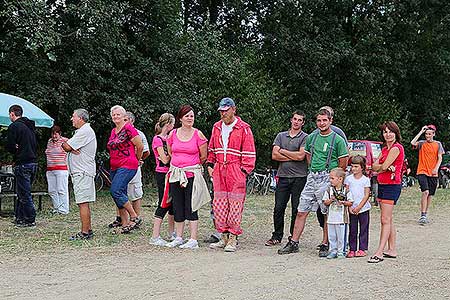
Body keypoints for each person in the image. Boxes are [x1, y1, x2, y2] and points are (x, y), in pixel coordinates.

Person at [278, 108, 349, 256]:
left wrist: (333, 179)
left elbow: (343, 162)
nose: (321, 123)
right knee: (301, 210)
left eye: (324, 120)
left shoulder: (338, 140)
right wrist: (312, 170)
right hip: (312, 177)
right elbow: (308, 156)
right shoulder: (312, 137)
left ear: (330, 121)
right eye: (319, 120)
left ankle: (325, 243)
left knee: (325, 211)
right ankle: (294, 242)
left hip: (327, 177)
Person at [207, 97, 256, 252]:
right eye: (221, 111)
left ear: (233, 110)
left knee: (235, 205)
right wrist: (210, 166)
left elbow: (249, 152)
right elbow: (212, 149)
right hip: (219, 169)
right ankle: (223, 237)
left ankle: (233, 239)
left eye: (226, 111)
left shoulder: (244, 128)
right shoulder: (216, 127)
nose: (223, 114)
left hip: (235, 169)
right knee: (219, 205)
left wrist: (243, 171)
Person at [164, 105, 209, 249]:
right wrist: (179, 165)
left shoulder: (198, 134)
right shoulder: (173, 134)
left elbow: (203, 155)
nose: (190, 118)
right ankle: (178, 237)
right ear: (181, 118)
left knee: (192, 205)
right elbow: (171, 152)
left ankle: (193, 238)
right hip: (176, 174)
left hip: (191, 175)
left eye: (192, 116)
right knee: (177, 205)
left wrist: (190, 165)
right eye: (187, 116)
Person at [265, 110, 308, 246]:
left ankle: (292, 236)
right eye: (295, 119)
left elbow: (301, 156)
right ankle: (277, 235)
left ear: (303, 123)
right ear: (291, 120)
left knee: (296, 209)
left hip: (299, 177)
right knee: (279, 207)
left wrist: (282, 151)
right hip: (283, 176)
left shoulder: (305, 137)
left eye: (300, 120)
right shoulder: (280, 136)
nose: (296, 122)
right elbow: (274, 156)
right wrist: (292, 155)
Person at [312, 105, 348, 253]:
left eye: (326, 117)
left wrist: (338, 176)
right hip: (316, 177)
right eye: (319, 119)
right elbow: (312, 154)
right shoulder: (314, 134)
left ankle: (332, 242)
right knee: (321, 210)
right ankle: (326, 236)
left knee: (332, 210)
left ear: (331, 118)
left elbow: (343, 156)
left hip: (332, 177)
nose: (322, 122)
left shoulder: (338, 133)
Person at [368, 121, 404, 263]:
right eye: (385, 132)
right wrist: (382, 167)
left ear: (396, 134)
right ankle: (392, 249)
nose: (387, 134)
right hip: (382, 184)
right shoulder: (384, 149)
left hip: (391, 185)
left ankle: (379, 251)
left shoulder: (396, 148)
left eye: (390, 132)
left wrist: (382, 167)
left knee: (385, 220)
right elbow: (375, 166)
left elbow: (381, 166)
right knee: (388, 219)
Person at [108, 111, 150, 228]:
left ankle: (134, 216)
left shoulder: (129, 129)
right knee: (120, 193)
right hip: (115, 166)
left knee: (115, 190)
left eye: (118, 114)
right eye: (113, 115)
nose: (116, 117)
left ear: (124, 117)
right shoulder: (113, 131)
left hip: (127, 164)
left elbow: (140, 146)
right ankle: (125, 224)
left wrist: (137, 159)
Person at [62, 109, 97, 240]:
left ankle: (85, 232)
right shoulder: (82, 132)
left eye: (73, 116)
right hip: (81, 172)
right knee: (83, 202)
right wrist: (69, 146)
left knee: (82, 202)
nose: (72, 119)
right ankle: (87, 229)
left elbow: (66, 147)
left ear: (81, 118)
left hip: (82, 172)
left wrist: (68, 145)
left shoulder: (85, 131)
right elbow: (68, 146)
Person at [6, 105, 38, 227]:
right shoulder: (30, 126)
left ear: (12, 114)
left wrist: (14, 147)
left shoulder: (14, 126)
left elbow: (9, 146)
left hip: (22, 163)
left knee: (24, 194)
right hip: (33, 163)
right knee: (22, 192)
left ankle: (30, 219)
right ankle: (19, 217)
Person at [149, 113, 176, 246]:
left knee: (172, 204)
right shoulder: (158, 139)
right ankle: (155, 236)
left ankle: (172, 233)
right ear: (168, 124)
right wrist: (175, 153)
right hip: (163, 173)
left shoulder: (169, 138)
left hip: (172, 173)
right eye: (173, 123)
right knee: (163, 202)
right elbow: (164, 159)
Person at [410, 125, 444, 225]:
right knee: (425, 191)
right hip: (422, 171)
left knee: (430, 194)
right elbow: (412, 143)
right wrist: (421, 131)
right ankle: (423, 215)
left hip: (433, 173)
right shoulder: (421, 143)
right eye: (426, 134)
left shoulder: (438, 144)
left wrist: (436, 168)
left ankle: (425, 213)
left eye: (429, 134)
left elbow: (440, 157)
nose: (427, 136)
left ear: (433, 134)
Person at [322, 167, 353, 259]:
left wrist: (343, 202)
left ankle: (341, 251)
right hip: (331, 218)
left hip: (341, 219)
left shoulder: (346, 190)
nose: (330, 180)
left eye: (332, 178)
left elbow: (350, 202)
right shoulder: (329, 190)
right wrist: (330, 200)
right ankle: (333, 250)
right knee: (332, 236)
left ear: (340, 179)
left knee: (341, 236)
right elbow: (325, 201)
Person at [345, 155, 371, 258]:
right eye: (352, 166)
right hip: (352, 208)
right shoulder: (348, 179)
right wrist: (349, 206)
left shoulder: (365, 180)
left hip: (363, 208)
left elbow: (366, 195)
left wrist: (359, 207)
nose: (353, 169)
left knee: (363, 228)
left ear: (362, 167)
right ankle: (352, 248)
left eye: (356, 166)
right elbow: (346, 193)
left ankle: (362, 248)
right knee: (353, 229)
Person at [45, 125, 70, 215]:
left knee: (61, 189)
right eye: (53, 134)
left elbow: (73, 152)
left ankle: (64, 210)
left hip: (61, 169)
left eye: (56, 134)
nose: (54, 136)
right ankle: (57, 208)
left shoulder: (65, 140)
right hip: (50, 169)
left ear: (60, 134)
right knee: (51, 190)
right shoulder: (49, 141)